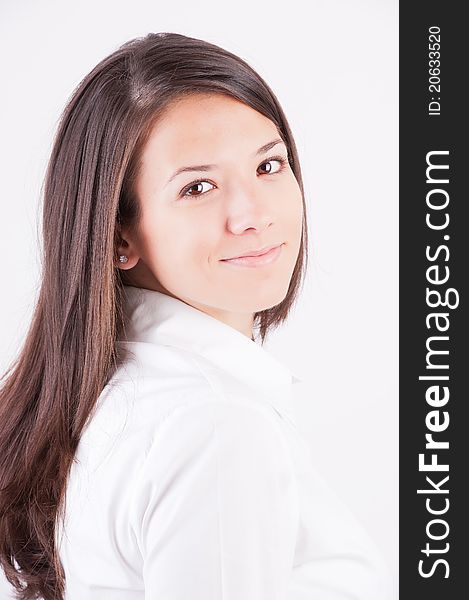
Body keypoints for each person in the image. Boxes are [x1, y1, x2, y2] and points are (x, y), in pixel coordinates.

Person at [0, 32, 393, 599]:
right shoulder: (215, 425)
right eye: (198, 187)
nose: (251, 214)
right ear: (118, 237)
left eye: (269, 165)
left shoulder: (124, 394)